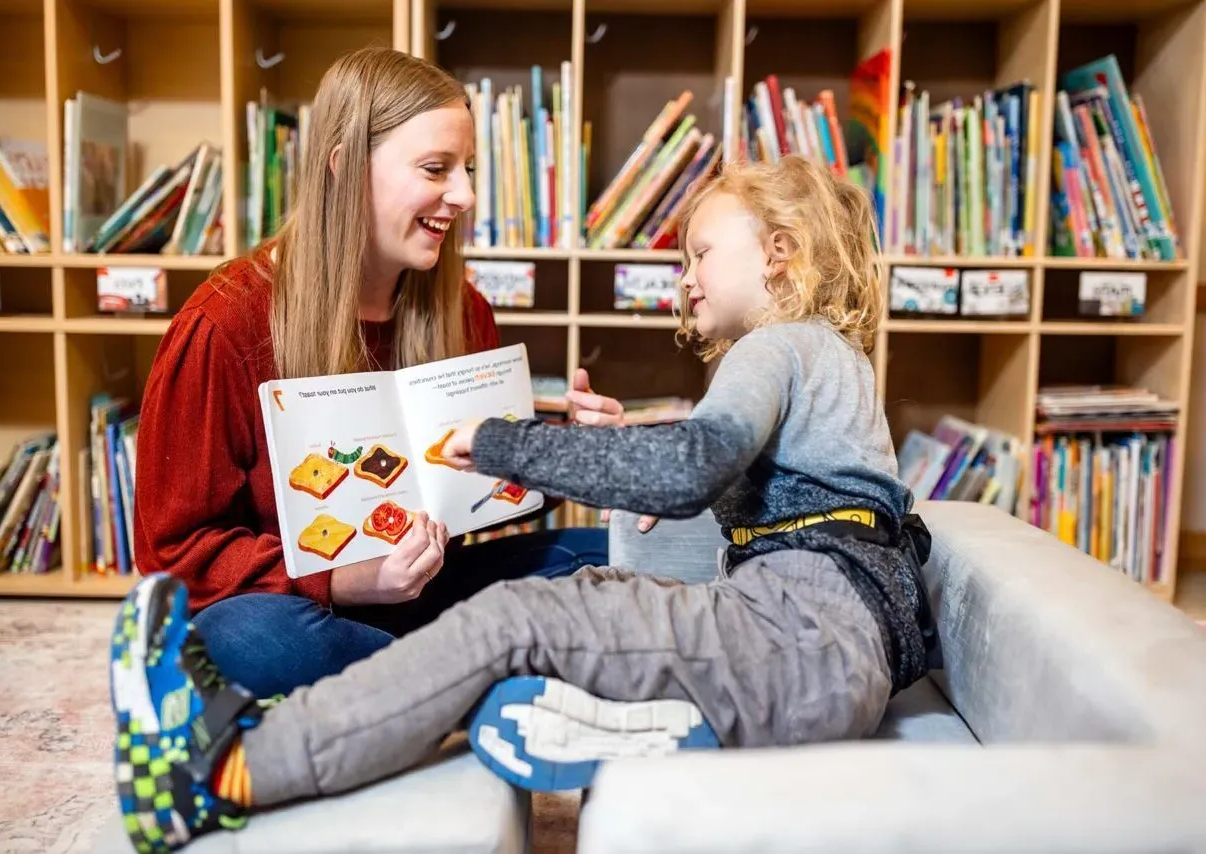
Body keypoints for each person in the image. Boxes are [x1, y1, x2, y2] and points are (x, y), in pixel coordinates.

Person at [108, 156, 942, 853]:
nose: (683, 279)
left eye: (699, 253)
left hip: (798, 644)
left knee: (511, 621)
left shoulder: (777, 346)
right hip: (812, 656)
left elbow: (691, 466)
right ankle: (620, 718)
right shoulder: (834, 366)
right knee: (578, 596)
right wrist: (628, 466)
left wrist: (511, 443)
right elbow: (731, 500)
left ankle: (222, 772)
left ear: (780, 255)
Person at [130, 46, 613, 700]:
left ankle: (424, 691)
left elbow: (478, 492)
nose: (466, 196)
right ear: (345, 170)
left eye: (467, 169)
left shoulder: (460, 308)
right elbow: (175, 556)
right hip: (308, 614)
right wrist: (338, 580)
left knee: (604, 559)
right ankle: (472, 679)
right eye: (437, 169)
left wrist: (568, 455)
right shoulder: (224, 327)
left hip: (424, 596)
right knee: (239, 636)